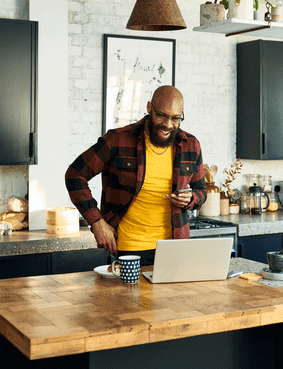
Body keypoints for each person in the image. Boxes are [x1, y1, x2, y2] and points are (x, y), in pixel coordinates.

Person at [65, 85, 207, 265]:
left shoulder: (190, 144)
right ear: (149, 108)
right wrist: (97, 221)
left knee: (174, 295)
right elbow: (74, 175)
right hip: (130, 248)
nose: (168, 124)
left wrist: (192, 198)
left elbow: (201, 190)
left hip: (175, 247)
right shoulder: (118, 140)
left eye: (175, 118)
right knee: (131, 294)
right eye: (162, 115)